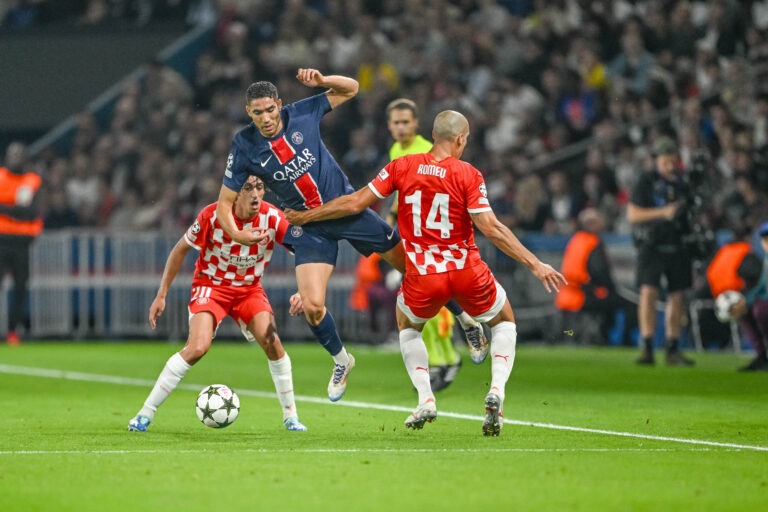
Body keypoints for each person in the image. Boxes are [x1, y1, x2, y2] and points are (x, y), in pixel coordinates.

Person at [285, 110, 566, 436]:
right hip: (466, 271)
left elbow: (354, 204)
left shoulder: (401, 166)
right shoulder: (469, 174)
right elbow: (491, 228)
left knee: (407, 327)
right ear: (460, 139)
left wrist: (308, 216)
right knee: (503, 321)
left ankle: (425, 398)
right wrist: (536, 264)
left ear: (433, 135)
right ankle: (497, 391)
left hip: (423, 276)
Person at [214, 69, 485, 402]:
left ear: (279, 105)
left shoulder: (301, 112)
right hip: (308, 227)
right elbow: (223, 205)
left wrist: (323, 79)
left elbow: (352, 89)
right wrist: (238, 236)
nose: (267, 118)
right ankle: (342, 360)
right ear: (249, 113)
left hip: (348, 211)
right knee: (313, 307)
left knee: (416, 269)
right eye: (258, 113)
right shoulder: (244, 144)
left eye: (270, 109)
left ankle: (467, 321)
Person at [128, 176, 308, 432]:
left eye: (259, 187)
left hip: (249, 290)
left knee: (272, 343)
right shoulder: (212, 216)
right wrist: (162, 294)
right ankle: (145, 414)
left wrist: (304, 290)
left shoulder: (273, 218)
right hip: (211, 287)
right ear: (234, 192)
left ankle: (291, 417)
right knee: (198, 347)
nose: (255, 194)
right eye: (247, 188)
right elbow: (180, 249)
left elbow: (304, 250)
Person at [385, 98, 462, 391]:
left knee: (436, 299)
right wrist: (391, 221)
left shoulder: (424, 151)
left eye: (407, 122)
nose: (402, 127)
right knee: (421, 302)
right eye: (397, 122)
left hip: (433, 237)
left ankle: (448, 359)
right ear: (390, 125)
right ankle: (439, 360)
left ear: (417, 124)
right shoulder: (396, 150)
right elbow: (400, 193)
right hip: (412, 236)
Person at [627, 136, 695, 366]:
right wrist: (663, 213)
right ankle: (647, 346)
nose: (669, 164)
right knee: (649, 293)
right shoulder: (645, 181)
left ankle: (672, 348)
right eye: (664, 159)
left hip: (677, 244)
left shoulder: (683, 184)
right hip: (651, 244)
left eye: (671, 159)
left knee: (677, 296)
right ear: (656, 159)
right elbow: (633, 214)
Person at [556, 208, 635, 344]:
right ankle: (623, 340)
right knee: (630, 304)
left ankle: (602, 335)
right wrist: (612, 288)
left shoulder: (575, 240)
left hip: (566, 295)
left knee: (610, 302)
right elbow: (600, 272)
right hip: (583, 296)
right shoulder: (592, 243)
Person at [0, 142, 42, 346]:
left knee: (20, 288)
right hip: (1, 242)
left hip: (21, 244)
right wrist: (17, 207)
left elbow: (33, 212)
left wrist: (6, 208)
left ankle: (12, 331)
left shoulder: (32, 181)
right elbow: (23, 210)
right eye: (12, 153)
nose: (16, 157)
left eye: (19, 154)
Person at [717, 223, 768, 371]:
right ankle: (762, 357)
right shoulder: (766, 261)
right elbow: (762, 288)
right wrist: (744, 301)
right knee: (746, 312)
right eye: (765, 240)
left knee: (760, 309)